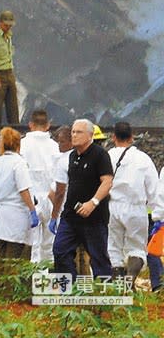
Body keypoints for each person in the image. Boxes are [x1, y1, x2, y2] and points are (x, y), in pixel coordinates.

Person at [52, 119, 113, 280]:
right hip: (71, 216)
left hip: (93, 217)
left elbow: (107, 182)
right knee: (60, 250)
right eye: (73, 131)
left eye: (78, 132)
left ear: (90, 135)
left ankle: (104, 294)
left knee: (98, 257)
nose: (74, 135)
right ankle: (69, 288)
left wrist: (93, 202)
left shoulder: (100, 155)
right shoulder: (72, 156)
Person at [107, 122, 158, 283]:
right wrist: (156, 214)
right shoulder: (143, 159)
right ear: (132, 137)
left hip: (111, 207)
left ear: (113, 137)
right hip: (136, 208)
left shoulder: (107, 156)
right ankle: (130, 279)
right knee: (136, 247)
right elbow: (154, 189)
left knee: (113, 247)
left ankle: (119, 285)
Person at [0, 127, 38, 259]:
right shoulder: (18, 163)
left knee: (2, 256)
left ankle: (1, 281)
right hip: (16, 216)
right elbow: (23, 189)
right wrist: (32, 210)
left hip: (0, 216)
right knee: (15, 258)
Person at [49, 126, 92, 276]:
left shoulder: (63, 161)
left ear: (70, 142)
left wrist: (54, 216)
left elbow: (57, 193)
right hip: (86, 211)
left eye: (61, 142)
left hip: (67, 214)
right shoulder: (88, 157)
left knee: (63, 251)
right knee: (85, 252)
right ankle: (86, 285)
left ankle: (70, 285)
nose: (59, 145)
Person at [20, 109, 59, 263]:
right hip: (51, 197)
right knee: (50, 245)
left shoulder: (22, 145)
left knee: (34, 245)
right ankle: (49, 283)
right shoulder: (54, 146)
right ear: (48, 125)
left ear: (30, 124)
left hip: (31, 199)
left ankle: (35, 282)